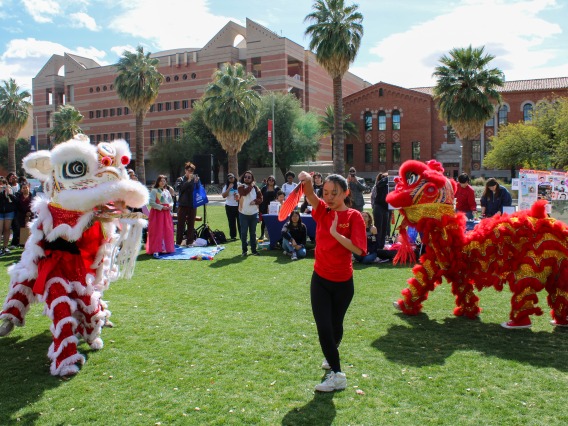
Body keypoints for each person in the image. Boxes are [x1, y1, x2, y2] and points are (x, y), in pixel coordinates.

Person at [297, 171, 367, 392]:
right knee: (324, 326)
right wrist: (306, 179)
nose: (328, 197)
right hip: (320, 280)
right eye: (325, 192)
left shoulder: (354, 217)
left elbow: (359, 250)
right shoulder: (322, 212)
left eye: (334, 193)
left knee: (336, 325)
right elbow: (309, 193)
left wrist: (337, 234)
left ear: (346, 193)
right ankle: (337, 374)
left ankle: (331, 354)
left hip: (343, 284)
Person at [146, 175, 175, 258]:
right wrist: (161, 207)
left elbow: (171, 201)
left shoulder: (167, 191)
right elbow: (151, 202)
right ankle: (156, 249)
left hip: (166, 213)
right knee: (157, 230)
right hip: (157, 213)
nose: (163, 182)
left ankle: (165, 248)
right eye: (161, 181)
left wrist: (170, 206)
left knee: (167, 229)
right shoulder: (154, 191)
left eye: (164, 181)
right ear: (158, 182)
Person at [237, 170, 262, 256]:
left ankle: (254, 250)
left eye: (249, 177)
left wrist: (255, 201)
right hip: (243, 213)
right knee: (244, 233)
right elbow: (244, 192)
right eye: (245, 177)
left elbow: (261, 198)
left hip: (254, 213)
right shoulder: (241, 187)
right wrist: (251, 185)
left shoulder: (256, 188)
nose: (247, 178)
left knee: (253, 233)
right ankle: (244, 250)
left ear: (252, 178)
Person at [175, 162, 200, 246]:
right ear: (185, 170)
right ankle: (178, 242)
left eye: (192, 171)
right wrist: (189, 181)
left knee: (191, 224)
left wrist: (197, 183)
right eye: (189, 171)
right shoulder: (180, 179)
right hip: (182, 204)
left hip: (192, 205)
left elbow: (198, 191)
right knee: (180, 224)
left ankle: (190, 242)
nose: (190, 173)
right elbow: (180, 189)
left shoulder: (195, 179)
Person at [371, 173, 391, 249]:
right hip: (378, 207)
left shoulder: (387, 187)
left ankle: (381, 246)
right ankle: (376, 245)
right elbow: (380, 184)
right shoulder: (379, 184)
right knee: (378, 228)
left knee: (384, 228)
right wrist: (387, 178)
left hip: (385, 208)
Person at [221, 173, 240, 240]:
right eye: (229, 178)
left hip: (238, 206)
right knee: (231, 222)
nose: (231, 179)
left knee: (240, 222)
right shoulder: (226, 186)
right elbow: (223, 196)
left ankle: (242, 235)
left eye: (232, 177)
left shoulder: (239, 185)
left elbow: (243, 194)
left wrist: (238, 195)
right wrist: (229, 188)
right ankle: (233, 236)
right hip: (229, 206)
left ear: (234, 178)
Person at [0, 177, 16, 255]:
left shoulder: (9, 189)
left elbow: (15, 200)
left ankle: (5, 247)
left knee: (7, 229)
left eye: (3, 184)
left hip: (9, 212)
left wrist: (9, 193)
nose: (1, 186)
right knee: (0, 229)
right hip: (0, 212)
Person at [14, 180, 33, 247]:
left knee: (30, 230)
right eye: (23, 188)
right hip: (21, 216)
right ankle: (22, 243)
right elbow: (17, 206)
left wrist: (30, 213)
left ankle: (30, 244)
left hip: (31, 216)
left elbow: (34, 206)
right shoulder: (18, 197)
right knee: (21, 229)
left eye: (26, 188)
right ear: (21, 189)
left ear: (29, 188)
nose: (25, 189)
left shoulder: (32, 196)